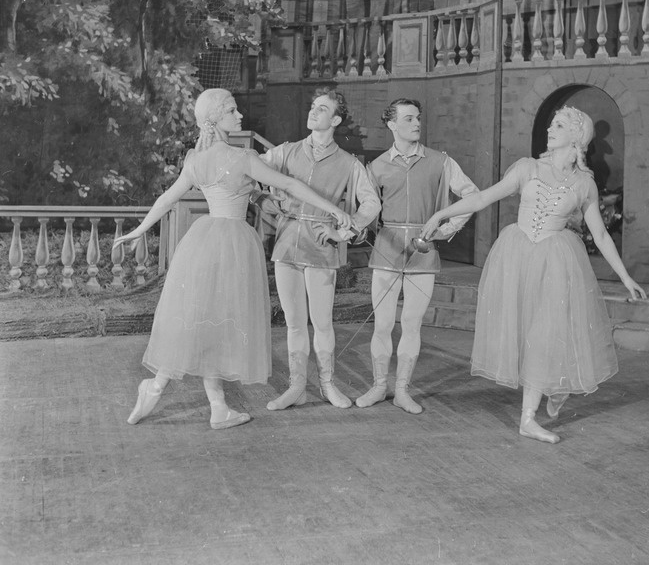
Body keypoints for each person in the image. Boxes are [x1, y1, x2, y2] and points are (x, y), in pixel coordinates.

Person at [113, 88, 352, 430]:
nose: (240, 117)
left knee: (207, 319)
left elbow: (166, 199)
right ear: (216, 119)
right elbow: (291, 185)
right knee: (219, 320)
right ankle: (160, 390)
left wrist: (139, 229)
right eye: (233, 111)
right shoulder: (243, 158)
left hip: (204, 241)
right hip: (235, 243)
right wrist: (333, 208)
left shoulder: (196, 160)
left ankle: (210, 403)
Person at [422, 106, 646, 444]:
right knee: (526, 330)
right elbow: (483, 198)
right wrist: (442, 213)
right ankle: (553, 386)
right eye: (552, 123)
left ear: (576, 136)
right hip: (518, 255)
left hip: (556, 261)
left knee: (545, 333)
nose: (550, 129)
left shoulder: (584, 184)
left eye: (559, 125)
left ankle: (529, 417)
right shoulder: (528, 168)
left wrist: (626, 277)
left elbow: (599, 235)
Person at [258, 87, 381, 411]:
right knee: (294, 323)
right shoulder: (286, 151)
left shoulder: (348, 163)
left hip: (322, 248)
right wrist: (268, 198)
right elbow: (250, 170)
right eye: (313, 107)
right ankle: (297, 386)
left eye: (322, 109)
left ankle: (327, 385)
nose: (314, 112)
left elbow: (371, 203)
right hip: (286, 246)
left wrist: (345, 231)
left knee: (322, 323)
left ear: (336, 119)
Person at [356, 98, 479, 414]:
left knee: (411, 324)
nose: (416, 123)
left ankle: (401, 391)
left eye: (418, 118)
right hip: (386, 250)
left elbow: (473, 196)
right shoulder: (377, 166)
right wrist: (356, 226)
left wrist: (445, 227)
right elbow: (366, 209)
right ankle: (380, 386)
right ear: (392, 125)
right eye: (408, 118)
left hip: (423, 252)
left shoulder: (441, 162)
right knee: (382, 324)